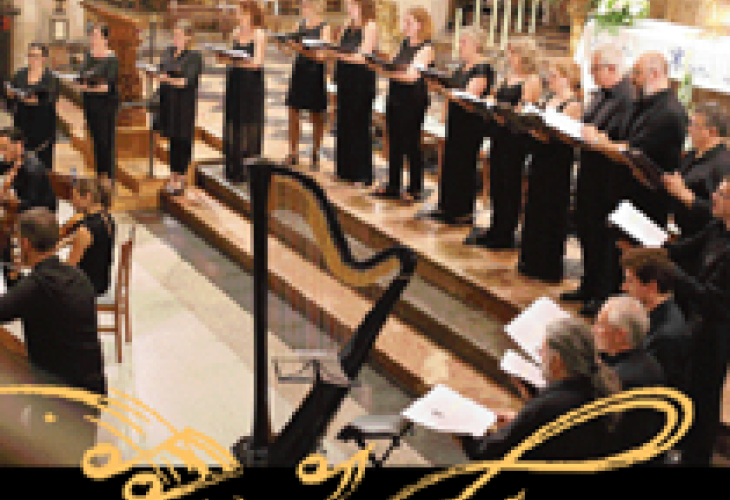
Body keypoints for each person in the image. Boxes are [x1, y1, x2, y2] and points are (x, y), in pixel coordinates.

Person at [0, 207, 106, 465]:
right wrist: (16, 278)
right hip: (92, 389)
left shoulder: (37, 286)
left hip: (60, 400)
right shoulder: (77, 276)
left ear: (26, 244)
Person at [458, 318, 620, 461]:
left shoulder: (549, 406)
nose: (540, 356)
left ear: (557, 361)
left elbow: (486, 453)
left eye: (542, 351)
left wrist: (465, 428)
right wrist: (521, 421)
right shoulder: (597, 388)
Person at [560, 44, 634, 317]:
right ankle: (588, 284)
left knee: (602, 238)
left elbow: (621, 138)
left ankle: (602, 294)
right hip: (589, 173)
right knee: (585, 230)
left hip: (608, 178)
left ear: (611, 68)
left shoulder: (627, 98)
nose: (591, 74)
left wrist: (597, 137)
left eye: (594, 69)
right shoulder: (600, 94)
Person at [661, 172, 730, 466]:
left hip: (718, 328)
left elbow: (714, 298)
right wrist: (651, 245)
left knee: (706, 392)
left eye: (722, 194)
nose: (713, 196)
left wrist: (673, 274)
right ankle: (684, 444)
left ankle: (697, 457)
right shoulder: (717, 228)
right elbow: (682, 250)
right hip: (699, 320)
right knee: (688, 384)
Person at [583, 51, 688, 227]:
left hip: (646, 204)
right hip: (622, 195)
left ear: (655, 74)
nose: (632, 79)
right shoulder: (640, 103)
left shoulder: (669, 112)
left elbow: (633, 152)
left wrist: (597, 141)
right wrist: (605, 141)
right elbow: (622, 140)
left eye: (637, 73)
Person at [464, 38, 542, 249]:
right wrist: (491, 105)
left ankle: (506, 232)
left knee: (510, 184)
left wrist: (505, 113)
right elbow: (494, 96)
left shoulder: (531, 80)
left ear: (524, 56)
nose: (510, 57)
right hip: (499, 134)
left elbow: (525, 110)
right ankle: (495, 226)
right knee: (497, 181)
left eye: (513, 53)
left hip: (516, 138)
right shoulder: (507, 76)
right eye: (510, 53)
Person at [517, 59, 582, 283]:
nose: (550, 80)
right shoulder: (549, 99)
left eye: (554, 76)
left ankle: (547, 264)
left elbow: (564, 137)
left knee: (551, 212)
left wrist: (542, 132)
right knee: (534, 208)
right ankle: (531, 259)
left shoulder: (573, 104)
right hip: (540, 159)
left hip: (557, 165)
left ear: (567, 77)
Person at [591, 295, 667, 465]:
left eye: (600, 325)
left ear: (620, 335)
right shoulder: (649, 361)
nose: (593, 329)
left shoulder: (618, 381)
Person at [431, 26, 494, 225]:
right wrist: (439, 89)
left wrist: (445, 91)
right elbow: (452, 90)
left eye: (464, 42)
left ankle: (462, 211)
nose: (460, 45)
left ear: (477, 44)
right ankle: (447, 206)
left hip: (470, 123)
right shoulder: (462, 67)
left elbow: (469, 96)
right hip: (456, 120)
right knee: (451, 161)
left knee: (463, 164)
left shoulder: (482, 68)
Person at [372, 6, 435, 202]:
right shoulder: (404, 43)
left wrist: (388, 72)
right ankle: (393, 185)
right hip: (395, 96)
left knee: (411, 143)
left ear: (420, 25)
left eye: (409, 22)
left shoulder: (426, 48)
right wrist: (382, 66)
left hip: (413, 100)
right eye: (405, 22)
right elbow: (392, 65)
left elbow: (412, 77)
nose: (405, 26)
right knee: (394, 142)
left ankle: (415, 188)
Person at [619, 247, 689, 393]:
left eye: (630, 281)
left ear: (652, 287)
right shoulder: (652, 313)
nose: (623, 287)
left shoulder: (666, 336)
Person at [0, 128, 58, 289]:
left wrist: (10, 202)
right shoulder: (14, 159)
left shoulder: (32, 170)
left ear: (18, 145)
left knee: (7, 246)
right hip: (25, 212)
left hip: (40, 221)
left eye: (4, 148)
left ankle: (15, 287)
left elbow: (33, 204)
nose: (1, 153)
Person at [332, 0, 378, 185]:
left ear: (362, 5)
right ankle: (344, 170)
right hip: (345, 78)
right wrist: (337, 53)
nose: (349, 8)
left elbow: (363, 56)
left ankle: (361, 173)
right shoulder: (347, 25)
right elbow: (338, 48)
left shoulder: (370, 26)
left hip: (361, 81)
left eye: (352, 5)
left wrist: (341, 55)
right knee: (344, 123)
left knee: (359, 125)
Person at [154, 20, 203, 194]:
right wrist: (163, 76)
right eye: (174, 35)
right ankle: (172, 175)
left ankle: (181, 177)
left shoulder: (194, 56)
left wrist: (167, 78)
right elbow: (162, 70)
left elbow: (185, 81)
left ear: (188, 37)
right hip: (169, 101)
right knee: (172, 140)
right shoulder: (169, 51)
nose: (175, 38)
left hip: (184, 104)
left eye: (179, 35)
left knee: (183, 139)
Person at [668, 101, 730, 239]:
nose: (689, 129)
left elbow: (720, 214)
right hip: (681, 231)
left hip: (701, 239)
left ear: (712, 132)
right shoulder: (693, 154)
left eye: (694, 125)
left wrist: (685, 194)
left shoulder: (724, 165)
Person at [283, 0, 331, 170]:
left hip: (315, 73)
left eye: (306, 5)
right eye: (302, 5)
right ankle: (293, 153)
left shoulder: (325, 27)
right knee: (293, 111)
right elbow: (289, 51)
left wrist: (300, 49)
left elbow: (322, 56)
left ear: (315, 6)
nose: (303, 8)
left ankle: (315, 153)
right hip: (300, 70)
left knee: (316, 115)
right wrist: (285, 44)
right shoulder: (300, 25)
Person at [222, 0, 267, 183]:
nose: (238, 16)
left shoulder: (259, 33)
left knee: (249, 123)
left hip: (251, 83)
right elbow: (230, 59)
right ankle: (233, 167)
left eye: (241, 13)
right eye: (238, 13)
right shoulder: (235, 33)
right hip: (235, 81)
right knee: (234, 121)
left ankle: (249, 170)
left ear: (251, 14)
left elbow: (257, 63)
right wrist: (223, 57)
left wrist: (238, 61)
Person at [74, 23, 119, 179]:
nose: (93, 39)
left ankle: (108, 178)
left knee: (105, 142)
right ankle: (100, 176)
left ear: (105, 39)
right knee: (95, 141)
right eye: (92, 36)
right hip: (90, 104)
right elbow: (80, 79)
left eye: (96, 36)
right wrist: (89, 85)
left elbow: (105, 87)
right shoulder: (89, 56)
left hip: (105, 106)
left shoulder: (111, 59)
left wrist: (88, 86)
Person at [6, 42, 59, 171]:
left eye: (36, 56)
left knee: (43, 166)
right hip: (22, 124)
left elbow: (50, 99)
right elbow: (11, 97)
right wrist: (10, 94)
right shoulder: (20, 75)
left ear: (44, 58)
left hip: (43, 127)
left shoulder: (51, 78)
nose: (32, 59)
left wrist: (30, 99)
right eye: (30, 55)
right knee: (21, 163)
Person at [64, 178, 116, 297]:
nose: (71, 202)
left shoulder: (85, 229)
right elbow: (93, 242)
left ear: (87, 197)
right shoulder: (107, 218)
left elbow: (68, 269)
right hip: (101, 282)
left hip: (86, 287)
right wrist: (62, 243)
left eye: (74, 197)